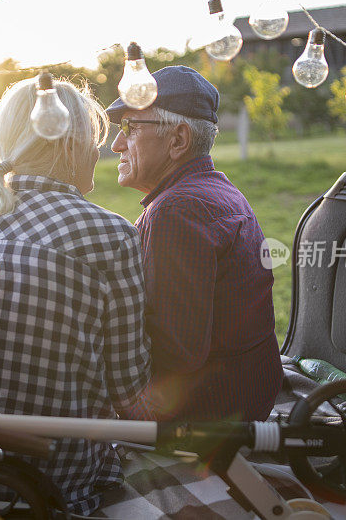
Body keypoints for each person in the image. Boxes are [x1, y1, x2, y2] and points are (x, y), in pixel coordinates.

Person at [0, 76, 151, 515]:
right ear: (69, 146)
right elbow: (128, 384)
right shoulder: (111, 234)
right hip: (58, 473)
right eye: (94, 140)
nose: (100, 151)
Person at [106, 65, 282, 423]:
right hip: (247, 390)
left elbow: (177, 353)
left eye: (130, 128)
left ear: (178, 140)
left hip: (211, 409)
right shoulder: (216, 187)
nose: (116, 144)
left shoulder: (175, 210)